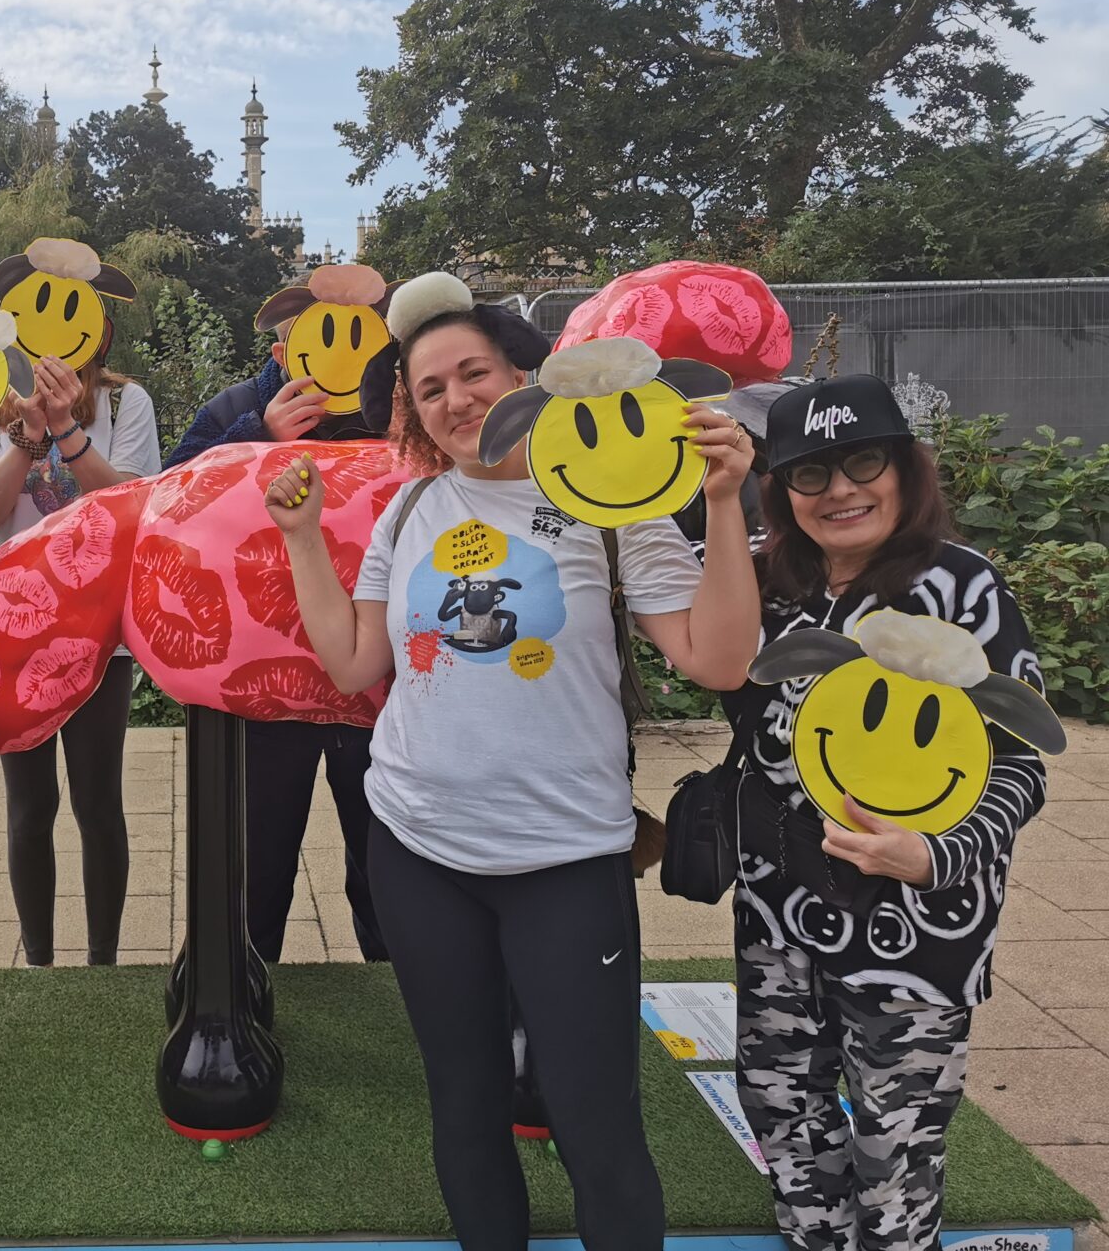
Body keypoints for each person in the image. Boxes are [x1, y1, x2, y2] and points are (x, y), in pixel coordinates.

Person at [263, 277, 758, 1251]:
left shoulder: (609, 502)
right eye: (430, 386)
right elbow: (357, 664)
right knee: (466, 1107)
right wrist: (302, 540)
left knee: (597, 1122)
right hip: (419, 854)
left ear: (524, 376)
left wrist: (728, 502)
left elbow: (718, 657)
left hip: (568, 865)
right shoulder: (406, 514)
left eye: (474, 373)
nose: (455, 399)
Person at [728, 374, 1052, 1251]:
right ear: (782, 490)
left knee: (895, 1138)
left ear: (907, 468)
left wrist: (937, 855)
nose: (839, 490)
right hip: (778, 905)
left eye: (863, 460)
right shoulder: (767, 582)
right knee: (780, 1105)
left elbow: (1023, 761)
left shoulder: (962, 589)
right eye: (810, 473)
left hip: (913, 926)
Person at [166, 311, 389, 964]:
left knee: (384, 862)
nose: (341, 355)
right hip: (263, 682)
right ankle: (238, 996)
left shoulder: (400, 407)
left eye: (360, 338)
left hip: (375, 678)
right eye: (319, 340)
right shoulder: (238, 407)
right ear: (281, 352)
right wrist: (255, 438)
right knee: (256, 865)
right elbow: (168, 498)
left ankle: (407, 998)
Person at [0, 342, 160, 965]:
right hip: (14, 630)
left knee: (97, 800)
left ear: (96, 329)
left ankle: (103, 960)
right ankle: (40, 963)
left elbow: (133, 505)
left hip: (102, 628)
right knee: (30, 806)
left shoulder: (123, 401)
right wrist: (27, 434)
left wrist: (67, 430)